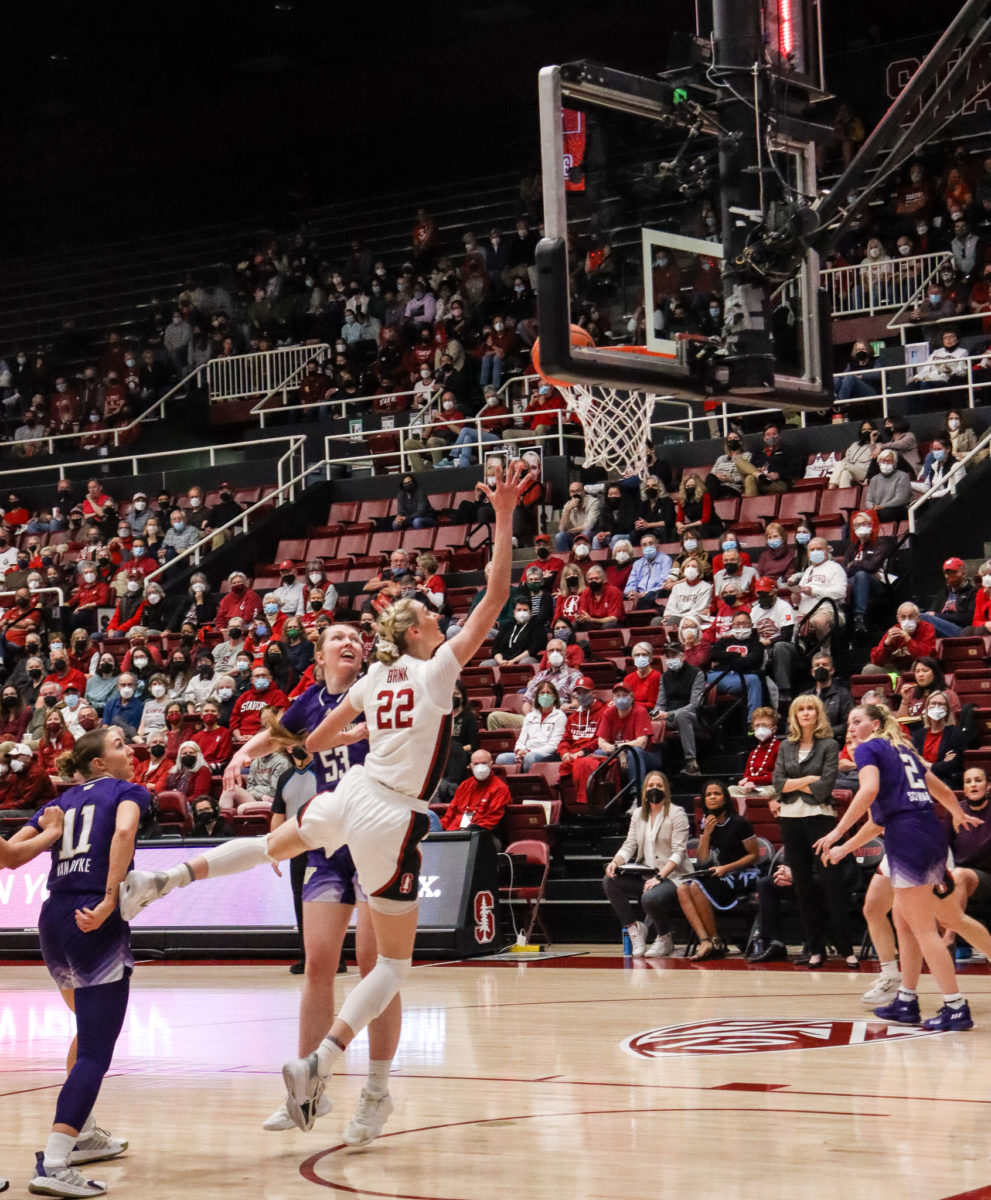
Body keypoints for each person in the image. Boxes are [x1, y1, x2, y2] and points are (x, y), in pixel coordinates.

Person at [118, 462, 533, 1135]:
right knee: (393, 965)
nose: (441, 617)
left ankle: (165, 877)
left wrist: (283, 750)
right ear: (422, 631)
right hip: (390, 811)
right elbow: (496, 592)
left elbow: (322, 734)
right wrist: (507, 515)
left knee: (269, 845)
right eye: (433, 614)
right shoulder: (437, 670)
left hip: (348, 795)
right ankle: (325, 1062)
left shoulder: (372, 677)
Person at [8, 727, 148, 1198]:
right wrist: (111, 899)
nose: (128, 750)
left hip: (52, 921)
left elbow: (8, 857)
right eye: (118, 745)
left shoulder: (62, 804)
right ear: (98, 765)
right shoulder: (128, 791)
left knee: (85, 1031)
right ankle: (55, 1160)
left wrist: (49, 832)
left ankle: (83, 1132)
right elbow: (125, 829)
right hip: (93, 918)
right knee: (95, 1048)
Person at [816, 703, 991, 1030]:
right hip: (929, 834)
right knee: (916, 918)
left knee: (923, 927)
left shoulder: (868, 749)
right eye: (849, 723)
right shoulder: (903, 750)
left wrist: (837, 831)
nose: (850, 728)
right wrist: (955, 811)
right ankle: (907, 1000)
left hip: (907, 839)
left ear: (876, 724)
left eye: (857, 721)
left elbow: (867, 792)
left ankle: (955, 1006)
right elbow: (935, 787)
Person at [771, 695, 855, 968]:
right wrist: (808, 779)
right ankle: (815, 948)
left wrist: (797, 784)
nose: (805, 713)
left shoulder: (830, 745)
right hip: (790, 819)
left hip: (820, 819)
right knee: (803, 887)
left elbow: (825, 787)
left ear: (818, 714)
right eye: (801, 710)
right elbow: (778, 783)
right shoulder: (785, 746)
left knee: (832, 885)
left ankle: (846, 948)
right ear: (794, 716)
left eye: (810, 709)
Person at [602, 771, 693, 957]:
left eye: (659, 786)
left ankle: (665, 938)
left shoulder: (677, 813)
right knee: (609, 880)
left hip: (673, 876)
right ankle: (634, 928)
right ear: (644, 791)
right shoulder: (638, 814)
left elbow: (679, 853)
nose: (654, 789)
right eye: (650, 786)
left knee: (649, 897)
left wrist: (660, 877)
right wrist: (615, 861)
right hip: (647, 874)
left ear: (666, 790)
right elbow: (630, 845)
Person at [677, 780, 760, 960]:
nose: (712, 797)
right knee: (682, 888)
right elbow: (702, 859)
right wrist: (706, 833)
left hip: (742, 873)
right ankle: (706, 940)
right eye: (708, 795)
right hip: (719, 873)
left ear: (725, 798)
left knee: (695, 887)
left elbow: (754, 855)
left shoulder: (740, 823)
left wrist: (726, 868)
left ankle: (716, 940)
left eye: (717, 794)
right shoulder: (707, 823)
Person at [439, 749, 511, 833]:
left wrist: (470, 830)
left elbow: (492, 818)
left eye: (484, 763)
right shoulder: (464, 785)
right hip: (454, 831)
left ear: (491, 764)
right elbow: (450, 813)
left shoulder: (500, 788)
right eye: (476, 764)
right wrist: (439, 829)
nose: (480, 767)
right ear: (470, 766)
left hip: (481, 834)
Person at [729, 707, 780, 805]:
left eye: (764, 725)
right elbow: (746, 776)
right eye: (757, 725)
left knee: (765, 794)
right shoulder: (753, 752)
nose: (760, 728)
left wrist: (750, 780)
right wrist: (748, 784)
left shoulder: (780, 747)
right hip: (752, 788)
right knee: (730, 790)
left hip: (771, 787)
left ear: (774, 729)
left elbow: (777, 776)